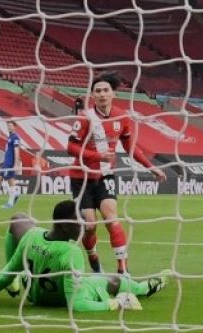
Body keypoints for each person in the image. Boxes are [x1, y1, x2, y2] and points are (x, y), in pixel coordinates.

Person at [0, 200, 167, 311]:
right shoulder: (72, 252)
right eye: (81, 222)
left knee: (18, 220)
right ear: (66, 225)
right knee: (111, 280)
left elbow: (10, 270)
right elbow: (76, 305)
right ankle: (144, 288)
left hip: (34, 295)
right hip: (60, 298)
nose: (85, 226)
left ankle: (16, 283)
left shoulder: (31, 236)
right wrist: (115, 303)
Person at [66, 72, 166, 274]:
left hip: (105, 176)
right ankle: (93, 256)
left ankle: (123, 269)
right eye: (98, 91)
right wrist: (96, 156)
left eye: (105, 90)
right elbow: (70, 148)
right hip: (81, 177)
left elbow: (131, 148)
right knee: (91, 225)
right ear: (92, 96)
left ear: (113, 94)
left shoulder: (123, 117)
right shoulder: (85, 118)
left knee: (111, 218)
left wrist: (151, 166)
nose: (102, 94)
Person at [0, 121, 21, 208]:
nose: (9, 127)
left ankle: (10, 203)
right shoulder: (10, 137)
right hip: (6, 162)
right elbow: (8, 150)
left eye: (10, 126)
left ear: (15, 127)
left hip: (10, 163)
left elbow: (16, 150)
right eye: (8, 126)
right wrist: (4, 160)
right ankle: (15, 194)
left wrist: (15, 164)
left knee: (10, 181)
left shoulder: (15, 137)